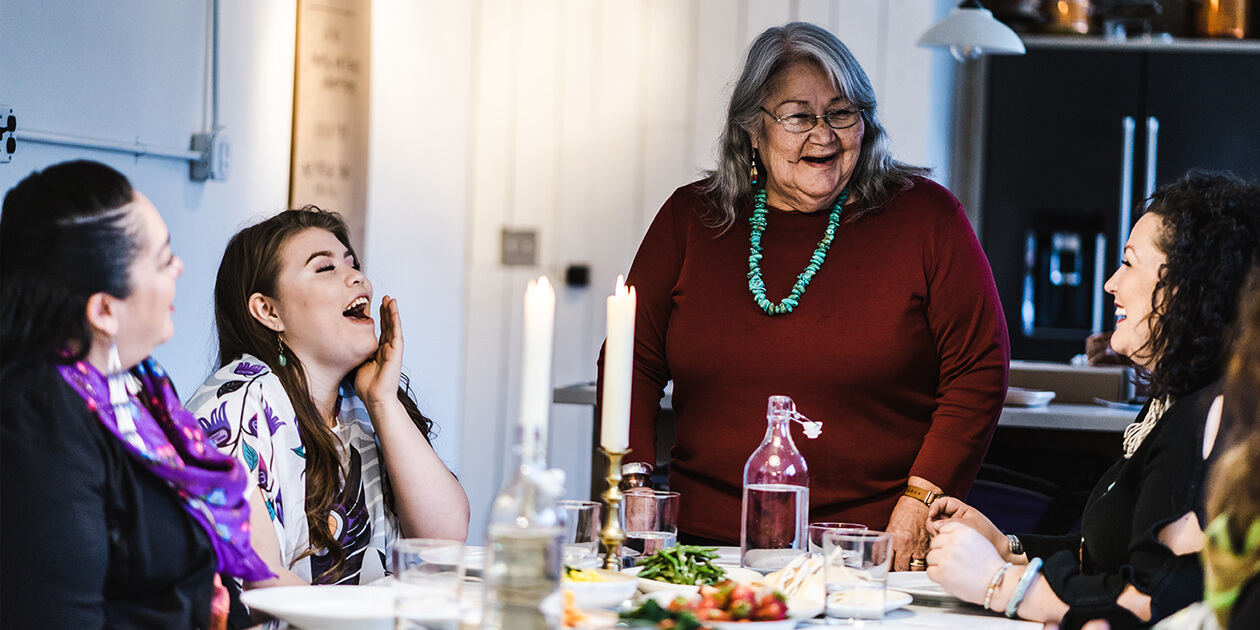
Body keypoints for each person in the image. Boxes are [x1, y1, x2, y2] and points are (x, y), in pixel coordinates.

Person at [600, 21, 1009, 570]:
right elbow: (632, 359)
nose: (824, 135)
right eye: (798, 116)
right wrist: (634, 482)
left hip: (869, 551)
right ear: (752, 128)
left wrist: (919, 501)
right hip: (703, 550)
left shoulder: (926, 217)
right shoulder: (690, 219)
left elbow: (978, 370)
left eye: (842, 113)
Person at [925, 171, 1260, 629]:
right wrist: (1007, 545)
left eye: (1128, 263)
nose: (1110, 284)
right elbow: (1105, 552)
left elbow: (1152, 599)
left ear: (1186, 286)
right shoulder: (1174, 400)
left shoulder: (1206, 418)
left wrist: (1002, 583)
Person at [0, 160, 271, 628]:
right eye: (164, 259)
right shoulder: (38, 421)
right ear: (105, 310)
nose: (180, 268)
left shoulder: (139, 386)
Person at [188, 207, 469, 588]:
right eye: (325, 268)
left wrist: (383, 401)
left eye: (351, 264)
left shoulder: (361, 403)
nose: (358, 278)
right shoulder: (233, 410)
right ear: (268, 311)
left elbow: (442, 542)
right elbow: (260, 589)